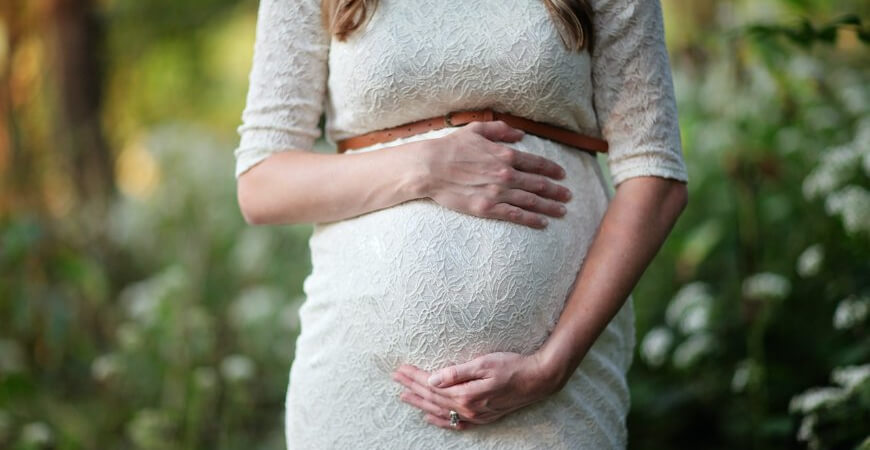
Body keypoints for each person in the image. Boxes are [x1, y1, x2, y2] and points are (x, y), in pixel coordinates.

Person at [233, 0, 689, 448]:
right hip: (360, 388)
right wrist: (426, 167)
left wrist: (552, 366)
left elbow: (655, 175)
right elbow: (262, 184)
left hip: (556, 397)